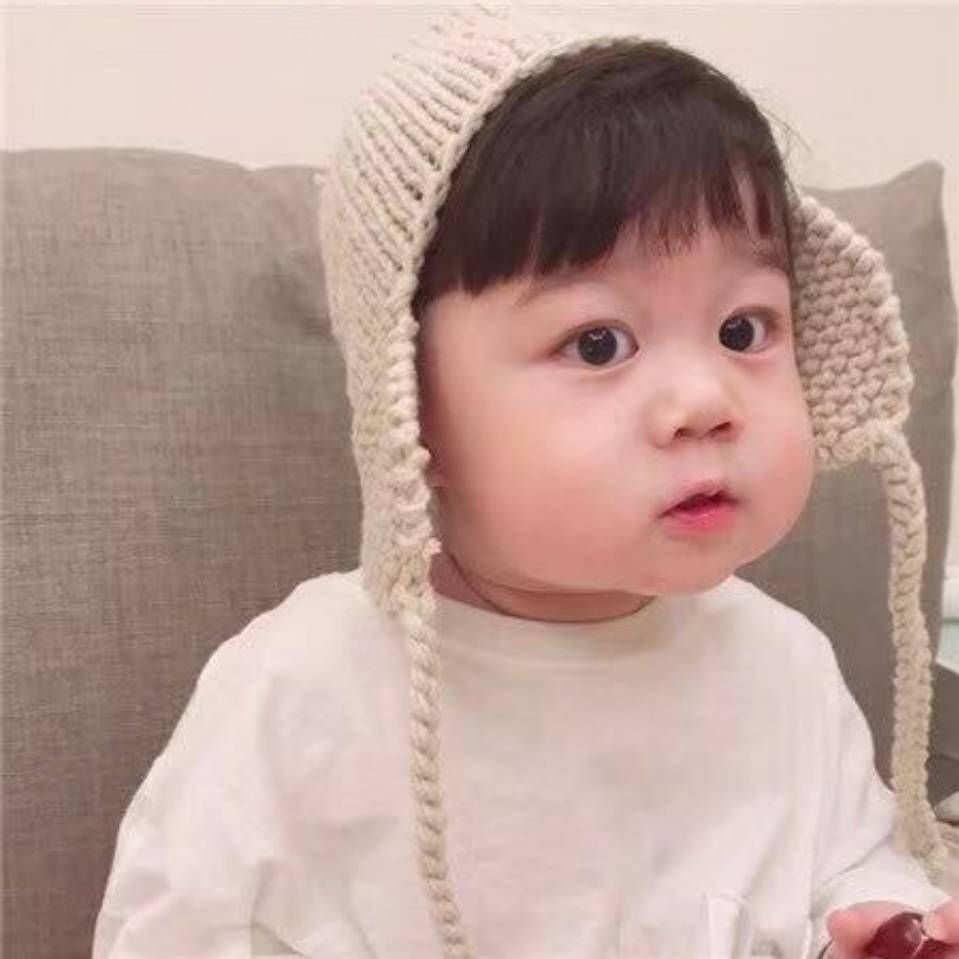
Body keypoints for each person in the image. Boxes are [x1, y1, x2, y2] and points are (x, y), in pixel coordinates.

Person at [92, 4, 959, 958]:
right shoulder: (298, 694)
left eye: (742, 329)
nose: (705, 400)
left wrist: (881, 929)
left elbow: (848, 870)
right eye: (597, 343)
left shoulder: (782, 667)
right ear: (409, 404)